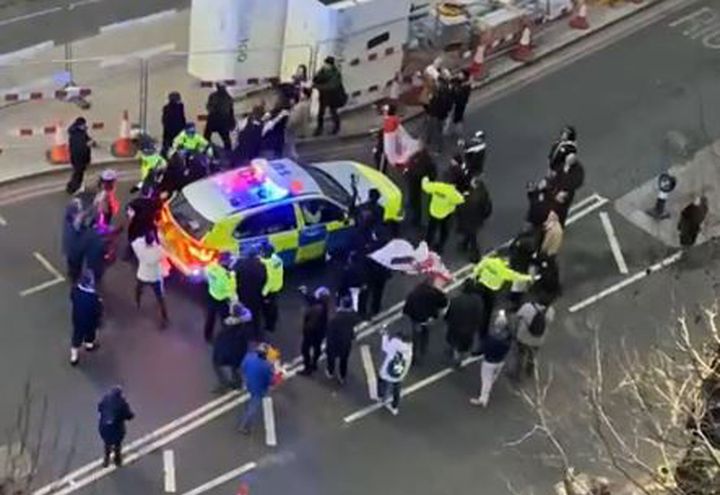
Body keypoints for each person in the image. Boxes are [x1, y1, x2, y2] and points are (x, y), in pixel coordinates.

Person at [472, 253, 533, 348]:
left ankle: (474, 317)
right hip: (491, 292)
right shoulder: (504, 270)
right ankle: (482, 332)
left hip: (481, 287)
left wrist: (475, 278)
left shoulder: (488, 261)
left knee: (477, 303)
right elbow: (516, 276)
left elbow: (478, 268)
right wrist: (529, 277)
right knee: (487, 312)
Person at [470, 310, 512, 407]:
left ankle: (483, 399)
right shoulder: (507, 337)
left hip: (489, 362)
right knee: (493, 377)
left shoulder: (491, 338)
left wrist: (475, 353)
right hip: (500, 360)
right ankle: (488, 390)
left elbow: (483, 348)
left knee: (486, 380)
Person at [402, 276, 448, 365]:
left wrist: (407, 313)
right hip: (428, 318)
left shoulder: (414, 293)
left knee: (416, 337)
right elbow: (444, 302)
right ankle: (423, 351)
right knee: (425, 334)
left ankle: (414, 357)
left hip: (416, 318)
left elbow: (408, 306)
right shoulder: (434, 293)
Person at [510, 296, 555, 379]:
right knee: (532, 355)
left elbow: (517, 317)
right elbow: (549, 323)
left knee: (520, 355)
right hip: (538, 340)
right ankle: (529, 370)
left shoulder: (527, 307)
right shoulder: (551, 311)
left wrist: (514, 331)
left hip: (523, 338)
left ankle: (516, 374)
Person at [132, 231, 169, 329]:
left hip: (142, 274)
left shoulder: (139, 247)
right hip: (155, 276)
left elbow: (135, 241)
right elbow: (166, 249)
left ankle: (137, 301)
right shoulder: (158, 251)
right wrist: (161, 238)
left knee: (138, 289)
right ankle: (164, 317)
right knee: (160, 297)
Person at [212, 303, 252, 392]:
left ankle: (224, 384)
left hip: (230, 350)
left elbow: (223, 338)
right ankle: (238, 383)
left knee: (217, 364)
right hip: (240, 350)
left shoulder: (229, 325)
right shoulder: (245, 323)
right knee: (235, 367)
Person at [445, 280, 485, 367]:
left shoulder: (456, 300)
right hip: (469, 329)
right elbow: (479, 315)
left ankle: (455, 355)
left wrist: (448, 321)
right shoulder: (478, 301)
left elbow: (449, 313)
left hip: (455, 326)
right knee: (464, 346)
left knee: (454, 342)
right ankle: (459, 359)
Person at [422, 174, 465, 253]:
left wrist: (425, 178)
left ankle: (427, 244)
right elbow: (460, 200)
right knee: (444, 230)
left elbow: (425, 186)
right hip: (445, 214)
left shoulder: (436, 186)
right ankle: (440, 246)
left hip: (434, 211)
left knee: (431, 229)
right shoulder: (452, 192)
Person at [325, 295, 362, 385]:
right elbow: (357, 320)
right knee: (344, 360)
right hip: (346, 342)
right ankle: (342, 375)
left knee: (331, 358)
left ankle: (330, 371)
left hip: (334, 342)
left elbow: (329, 331)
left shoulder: (336, 318)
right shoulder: (353, 315)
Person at [377, 328, 413, 415]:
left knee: (382, 382)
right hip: (400, 374)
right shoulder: (409, 347)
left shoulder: (395, 343)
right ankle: (394, 407)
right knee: (396, 391)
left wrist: (385, 335)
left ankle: (382, 396)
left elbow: (385, 347)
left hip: (388, 372)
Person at [239, 343, 274, 434]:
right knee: (253, 407)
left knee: (250, 400)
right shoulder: (266, 366)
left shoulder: (249, 357)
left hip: (248, 382)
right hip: (258, 388)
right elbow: (270, 380)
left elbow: (242, 368)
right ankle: (244, 426)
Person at [456, 175, 492, 262]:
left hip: (468, 219)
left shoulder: (469, 197)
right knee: (471, 234)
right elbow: (488, 208)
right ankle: (464, 245)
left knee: (473, 239)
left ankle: (475, 255)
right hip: (477, 219)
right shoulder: (484, 193)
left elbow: (461, 208)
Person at [70, 271, 102, 366]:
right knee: (90, 333)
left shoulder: (75, 290)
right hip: (90, 321)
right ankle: (89, 345)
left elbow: (72, 298)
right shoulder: (93, 297)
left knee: (77, 335)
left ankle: (74, 356)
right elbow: (97, 311)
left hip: (77, 319)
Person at [204, 253, 237, 343]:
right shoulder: (228, 276)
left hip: (211, 295)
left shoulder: (211, 267)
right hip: (222, 300)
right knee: (225, 320)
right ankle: (226, 338)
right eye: (230, 260)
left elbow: (206, 273)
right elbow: (231, 290)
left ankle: (207, 336)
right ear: (226, 262)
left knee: (210, 318)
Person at [235, 248, 267, 339]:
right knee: (256, 314)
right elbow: (264, 279)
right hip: (256, 293)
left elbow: (235, 277)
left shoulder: (239, 264)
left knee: (242, 312)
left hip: (242, 292)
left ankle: (243, 333)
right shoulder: (261, 265)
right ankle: (257, 333)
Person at [299, 286, 332, 375]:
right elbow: (312, 299)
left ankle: (307, 368)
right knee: (317, 348)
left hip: (311, 333)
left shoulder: (316, 309)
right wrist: (305, 293)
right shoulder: (324, 305)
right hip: (320, 332)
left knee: (305, 350)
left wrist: (305, 329)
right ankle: (314, 364)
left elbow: (311, 323)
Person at [98, 386, 134, 467]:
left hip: (104, 428)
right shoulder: (122, 403)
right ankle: (117, 460)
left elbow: (99, 408)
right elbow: (128, 415)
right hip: (117, 429)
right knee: (117, 444)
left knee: (107, 443)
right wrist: (131, 415)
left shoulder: (105, 399)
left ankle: (106, 460)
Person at [404, 148, 437, 228]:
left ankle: (415, 218)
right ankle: (415, 218)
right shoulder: (427, 161)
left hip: (415, 182)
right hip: (417, 182)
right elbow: (432, 173)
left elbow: (408, 168)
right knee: (416, 201)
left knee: (415, 201)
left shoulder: (415, 159)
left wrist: (407, 175)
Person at [312, 56, 345, 136]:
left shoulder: (335, 73)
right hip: (323, 95)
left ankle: (336, 127)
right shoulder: (322, 71)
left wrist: (317, 86)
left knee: (333, 111)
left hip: (333, 96)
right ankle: (319, 129)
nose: (325, 65)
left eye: (326, 64)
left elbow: (332, 86)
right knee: (321, 113)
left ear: (330, 65)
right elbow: (315, 79)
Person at [549, 154, 584, 224]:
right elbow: (556, 174)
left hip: (567, 193)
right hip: (557, 189)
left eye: (568, 161)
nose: (566, 163)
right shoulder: (563, 165)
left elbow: (577, 183)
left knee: (562, 209)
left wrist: (565, 191)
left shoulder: (578, 170)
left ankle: (559, 224)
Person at [424, 73, 453, 152]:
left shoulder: (443, 93)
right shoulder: (439, 91)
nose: (436, 83)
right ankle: (428, 139)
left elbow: (445, 104)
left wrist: (431, 101)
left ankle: (439, 148)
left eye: (438, 82)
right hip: (435, 113)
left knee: (438, 131)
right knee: (430, 126)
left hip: (438, 114)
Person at [66, 117, 94, 194]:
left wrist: (90, 142)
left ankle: (74, 186)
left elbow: (87, 138)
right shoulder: (77, 135)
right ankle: (73, 187)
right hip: (79, 157)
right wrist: (87, 145)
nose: (85, 126)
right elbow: (80, 147)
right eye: (83, 124)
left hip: (78, 157)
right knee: (78, 174)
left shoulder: (79, 132)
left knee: (78, 173)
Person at [259, 245, 284, 333]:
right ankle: (272, 321)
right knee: (274, 305)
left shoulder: (267, 265)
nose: (260, 253)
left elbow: (270, 280)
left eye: (262, 252)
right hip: (278, 285)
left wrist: (263, 293)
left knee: (268, 308)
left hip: (270, 290)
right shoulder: (277, 259)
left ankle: (270, 326)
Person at [204, 83, 235, 151]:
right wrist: (232, 122)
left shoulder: (213, 96)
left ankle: (206, 151)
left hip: (214, 119)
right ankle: (228, 153)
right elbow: (231, 111)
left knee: (206, 136)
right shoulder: (228, 97)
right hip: (224, 120)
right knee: (226, 140)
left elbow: (209, 108)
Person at [63, 198, 85, 284]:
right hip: (75, 247)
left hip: (71, 247)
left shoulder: (68, 219)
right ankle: (75, 277)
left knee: (73, 262)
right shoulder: (74, 222)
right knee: (75, 262)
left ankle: (73, 274)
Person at [286, 87, 312, 160]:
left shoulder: (303, 104)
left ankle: (292, 154)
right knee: (290, 139)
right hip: (293, 122)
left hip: (293, 122)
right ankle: (292, 153)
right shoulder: (303, 103)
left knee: (290, 139)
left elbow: (303, 116)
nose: (300, 94)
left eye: (302, 93)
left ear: (305, 95)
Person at [161, 91, 187, 157]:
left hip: (168, 130)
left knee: (167, 146)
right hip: (178, 130)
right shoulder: (180, 107)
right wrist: (184, 128)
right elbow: (182, 119)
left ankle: (165, 158)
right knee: (179, 146)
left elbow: (164, 120)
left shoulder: (166, 108)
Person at [449, 69, 471, 137]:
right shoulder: (457, 80)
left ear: (464, 76)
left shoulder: (465, 86)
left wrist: (452, 89)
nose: (459, 74)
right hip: (455, 103)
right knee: (455, 118)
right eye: (459, 73)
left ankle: (461, 134)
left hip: (459, 104)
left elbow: (459, 95)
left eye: (460, 74)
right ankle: (456, 130)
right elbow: (451, 80)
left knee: (457, 119)